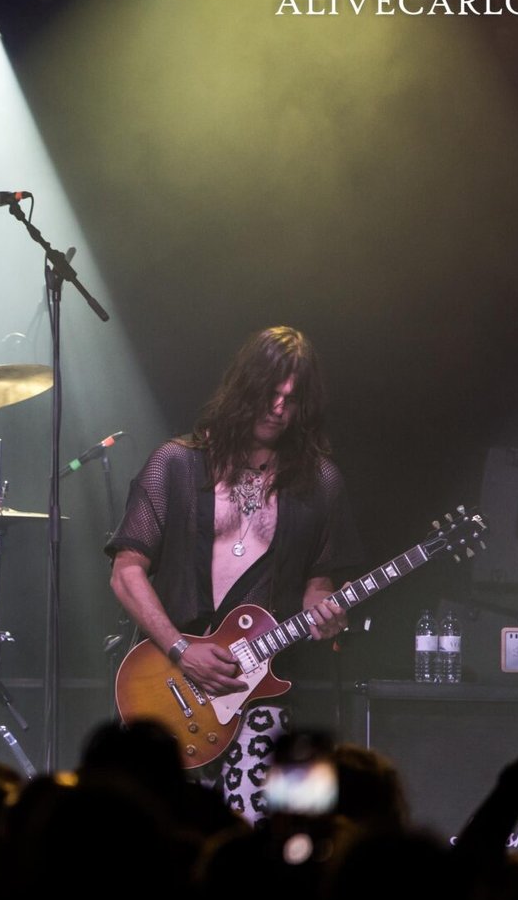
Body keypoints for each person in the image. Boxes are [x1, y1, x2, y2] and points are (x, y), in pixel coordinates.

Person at [106, 325, 363, 821]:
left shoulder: (320, 482)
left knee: (252, 835)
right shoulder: (176, 464)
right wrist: (181, 649)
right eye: (270, 392)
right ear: (244, 386)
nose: (278, 408)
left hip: (261, 688)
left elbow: (318, 584)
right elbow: (126, 571)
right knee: (153, 834)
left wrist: (327, 612)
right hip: (168, 681)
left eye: (292, 399)